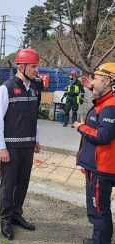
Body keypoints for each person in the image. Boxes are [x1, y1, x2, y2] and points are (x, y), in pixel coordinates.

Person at [0, 48, 41, 240]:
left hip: (27, 147)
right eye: (34, 66)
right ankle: (5, 220)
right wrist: (1, 147)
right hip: (11, 148)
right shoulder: (6, 88)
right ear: (21, 66)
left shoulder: (34, 89)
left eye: (37, 65)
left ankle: (16, 215)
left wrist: (36, 139)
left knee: (23, 183)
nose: (37, 70)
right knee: (8, 185)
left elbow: (34, 117)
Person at [73, 63, 115, 244]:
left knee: (98, 211)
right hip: (97, 165)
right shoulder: (104, 102)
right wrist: (92, 89)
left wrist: (81, 127)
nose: (92, 83)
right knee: (100, 209)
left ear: (108, 81)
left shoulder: (110, 106)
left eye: (96, 79)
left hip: (102, 168)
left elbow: (103, 135)